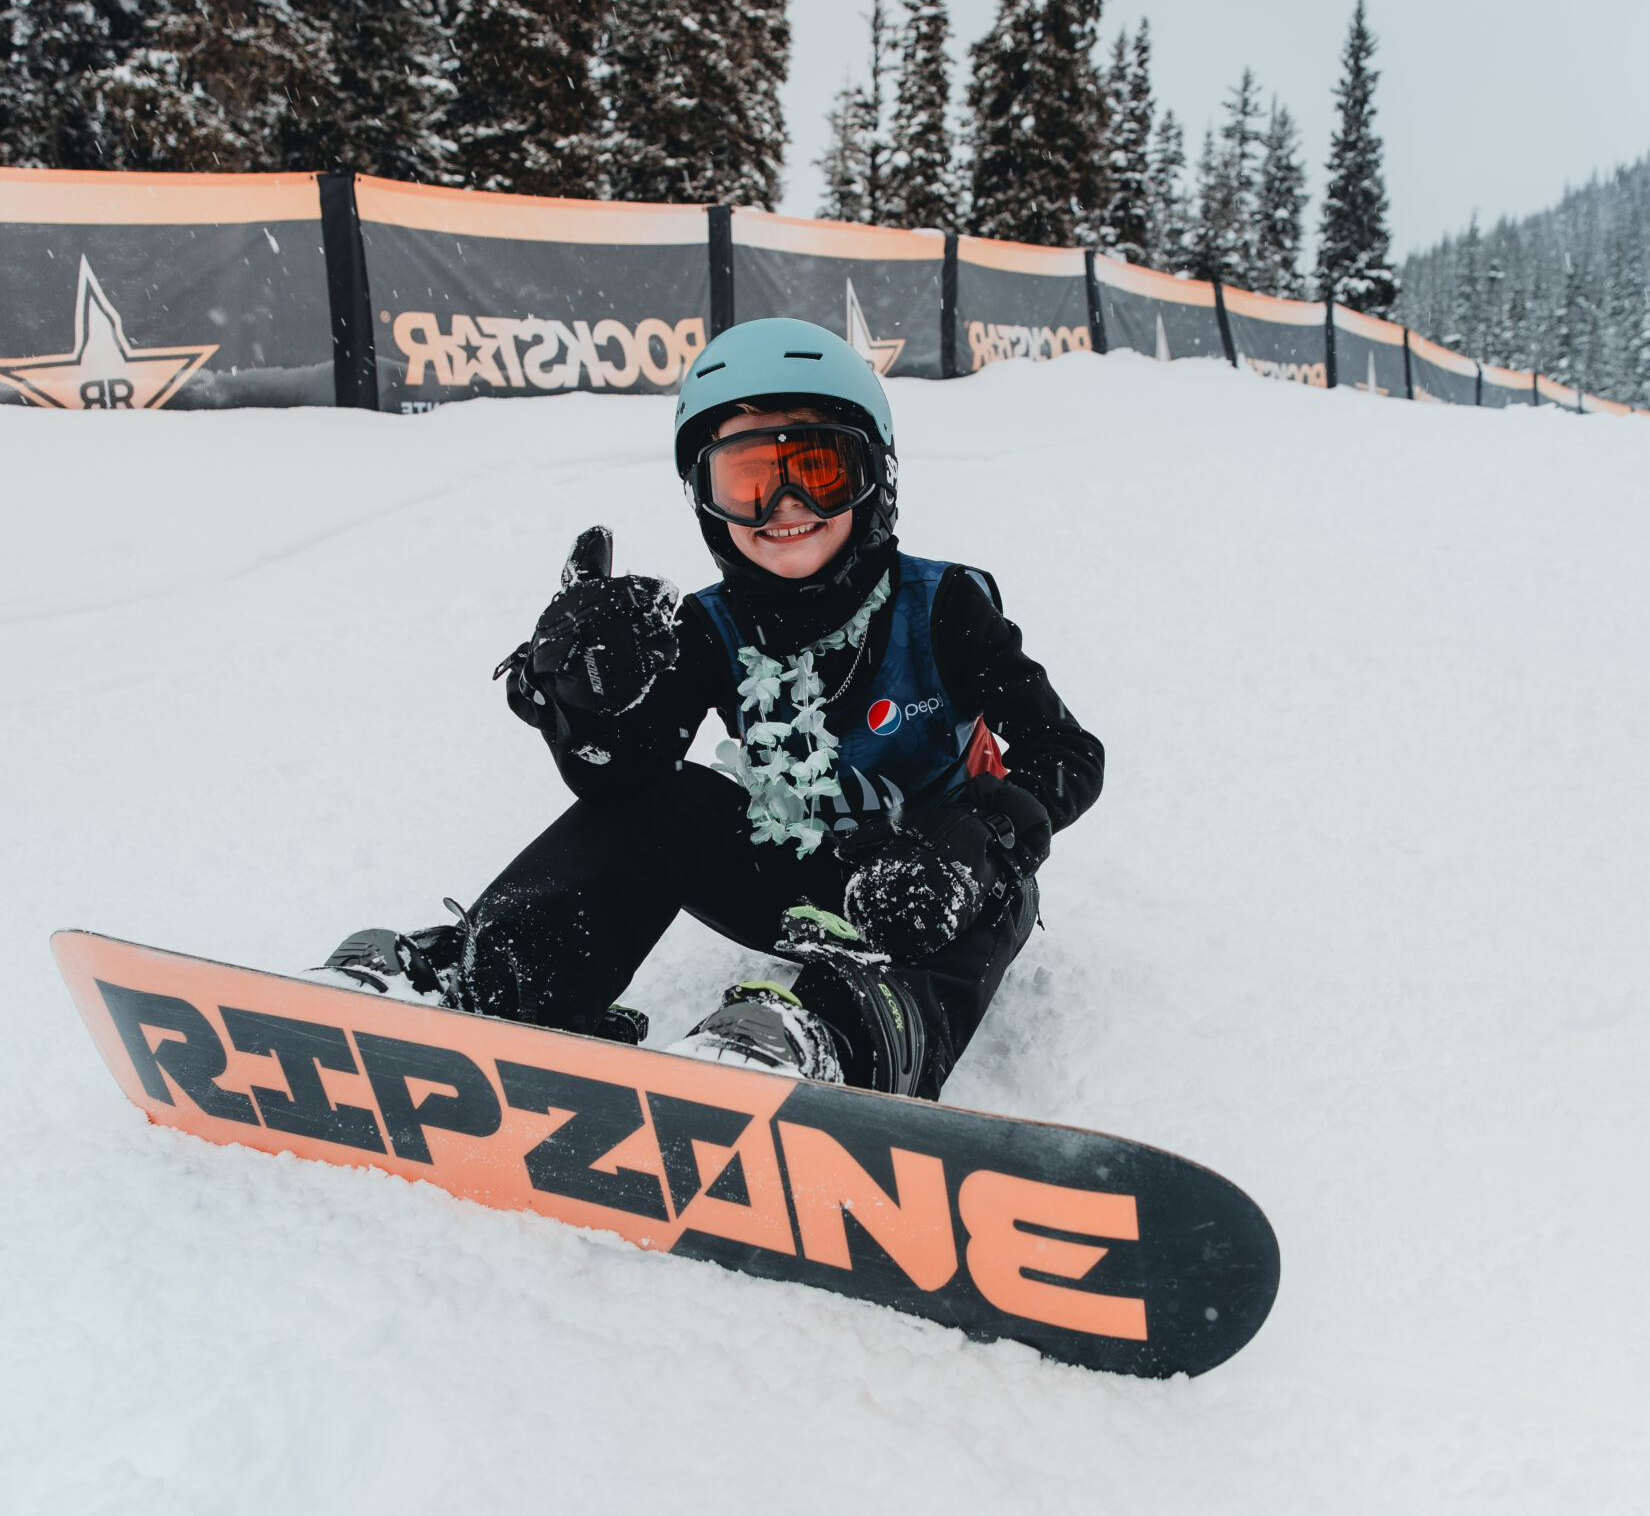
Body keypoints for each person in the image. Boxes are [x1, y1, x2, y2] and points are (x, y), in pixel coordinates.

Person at [324, 317, 1103, 1099]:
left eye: (819, 468)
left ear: (876, 476)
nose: (785, 505)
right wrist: (584, 711)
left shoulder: (944, 604)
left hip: (938, 889)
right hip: (795, 879)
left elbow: (1067, 751)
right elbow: (633, 783)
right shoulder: (707, 627)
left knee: (1001, 889)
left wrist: (987, 832)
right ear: (707, 500)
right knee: (672, 801)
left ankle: (840, 1041)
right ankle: (492, 981)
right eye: (748, 480)